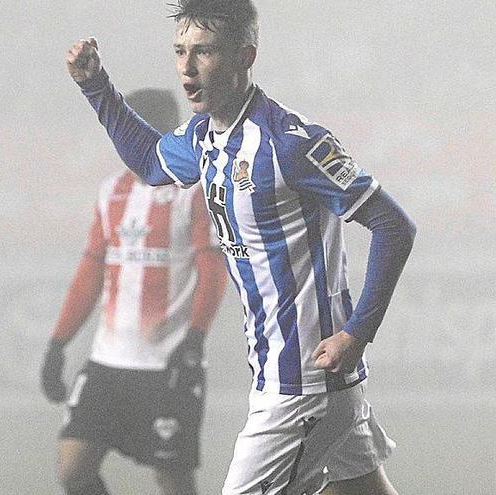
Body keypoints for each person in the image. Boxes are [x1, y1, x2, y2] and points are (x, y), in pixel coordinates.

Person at [65, 1, 416, 493]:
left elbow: (393, 226)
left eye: (203, 51)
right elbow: (149, 160)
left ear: (244, 56)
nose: (187, 67)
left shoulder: (291, 143)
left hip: (302, 383)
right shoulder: (204, 137)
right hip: (298, 375)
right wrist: (96, 86)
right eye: (180, 51)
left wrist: (357, 332)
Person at [39, 87, 227, 495]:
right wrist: (58, 344)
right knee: (73, 470)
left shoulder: (193, 191)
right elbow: (91, 272)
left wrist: (194, 339)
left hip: (167, 363)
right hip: (108, 362)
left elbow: (212, 270)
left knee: (172, 479)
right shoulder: (112, 191)